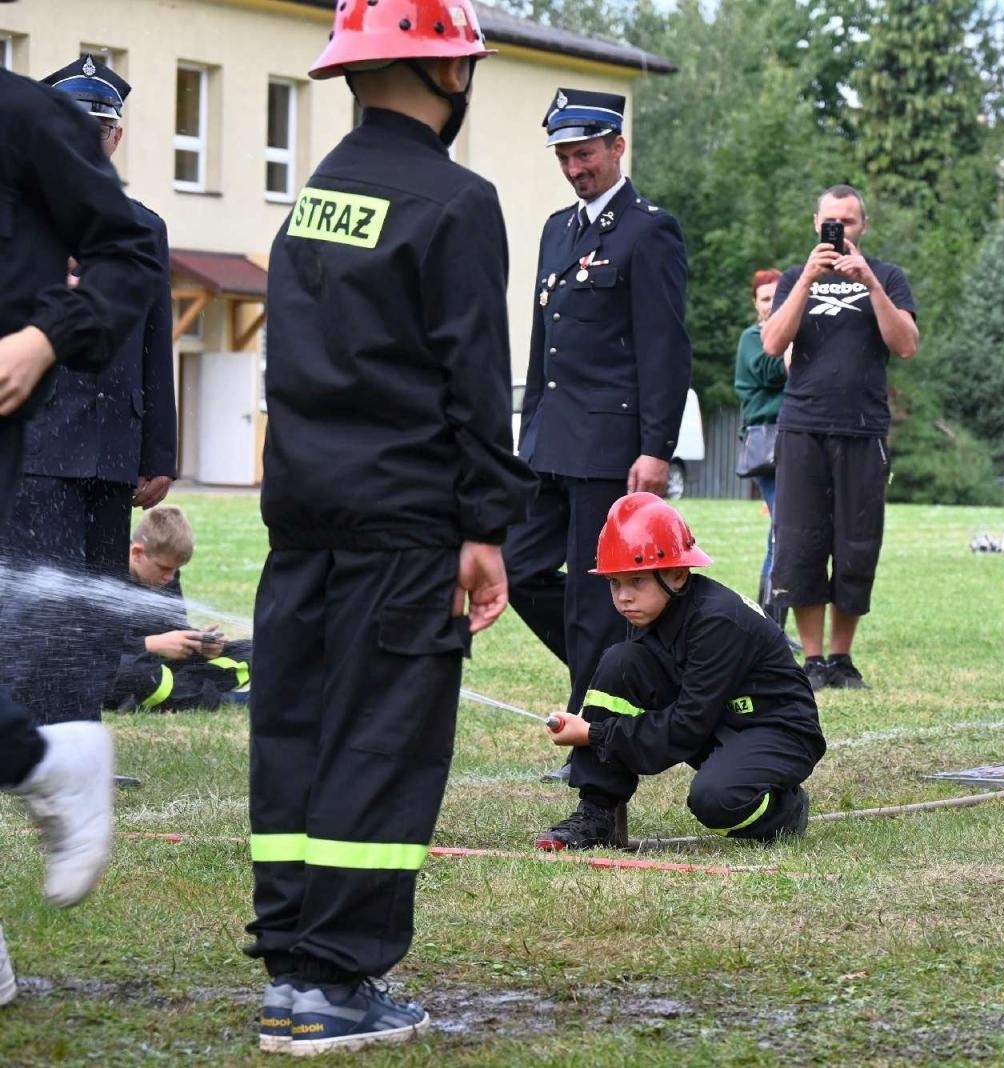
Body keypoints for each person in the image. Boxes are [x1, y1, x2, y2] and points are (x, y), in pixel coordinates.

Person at [245, 1, 533, 1054]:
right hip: (404, 520)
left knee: (296, 730)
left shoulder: (314, 199)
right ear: (450, 74)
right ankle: (333, 984)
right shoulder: (456, 203)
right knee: (381, 736)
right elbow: (469, 376)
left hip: (305, 513)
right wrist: (485, 524)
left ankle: (290, 963)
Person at [0, 5, 165, 1004]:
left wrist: (44, 337)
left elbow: (129, 256)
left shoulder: (22, 120)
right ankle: (41, 758)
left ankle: (47, 756)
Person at [503, 86, 692, 746]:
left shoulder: (649, 231)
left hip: (609, 445)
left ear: (617, 146)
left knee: (591, 599)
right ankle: (627, 667)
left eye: (584, 155)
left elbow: (665, 347)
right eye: (564, 158)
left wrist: (657, 447)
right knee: (517, 570)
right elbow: (539, 341)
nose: (575, 169)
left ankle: (593, 719)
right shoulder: (559, 230)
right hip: (550, 442)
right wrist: (525, 438)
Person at [538, 493, 824, 850]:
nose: (623, 596)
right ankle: (598, 814)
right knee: (620, 661)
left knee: (716, 801)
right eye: (615, 582)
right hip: (716, 716)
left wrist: (595, 733)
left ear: (677, 574)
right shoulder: (651, 608)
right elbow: (671, 709)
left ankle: (786, 811)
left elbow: (685, 729)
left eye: (637, 581)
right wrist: (594, 719)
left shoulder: (716, 622)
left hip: (777, 728)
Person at [10, 56, 177, 577]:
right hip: (40, 445)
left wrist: (159, 453)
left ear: (116, 137)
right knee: (36, 609)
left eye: (100, 129)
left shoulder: (143, 229)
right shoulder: (20, 222)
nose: (89, 139)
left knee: (102, 610)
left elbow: (156, 340)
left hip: (114, 451)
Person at [761, 184, 918, 691]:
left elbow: (906, 345)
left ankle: (841, 659)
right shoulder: (793, 278)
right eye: (831, 221)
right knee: (801, 544)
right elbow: (772, 343)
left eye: (848, 222)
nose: (839, 230)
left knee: (856, 544)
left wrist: (870, 282)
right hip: (803, 427)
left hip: (862, 430)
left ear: (863, 226)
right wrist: (808, 276)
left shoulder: (888, 277)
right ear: (815, 223)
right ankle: (811, 661)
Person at [108, 505, 252, 713]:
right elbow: (97, 647)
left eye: (176, 570)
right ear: (137, 553)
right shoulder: (105, 572)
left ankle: (168, 694)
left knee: (252, 650)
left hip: (164, 665)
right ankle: (221, 698)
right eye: (164, 568)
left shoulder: (168, 577)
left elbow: (173, 626)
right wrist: (150, 644)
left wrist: (199, 643)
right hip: (129, 664)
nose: (169, 577)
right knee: (134, 673)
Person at [732, 268, 787, 625]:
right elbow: (770, 371)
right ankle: (770, 628)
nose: (771, 304)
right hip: (768, 447)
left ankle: (771, 626)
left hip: (797, 443)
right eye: (765, 298)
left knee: (783, 533)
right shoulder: (753, 337)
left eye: (778, 296)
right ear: (756, 304)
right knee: (784, 532)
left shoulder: (791, 337)